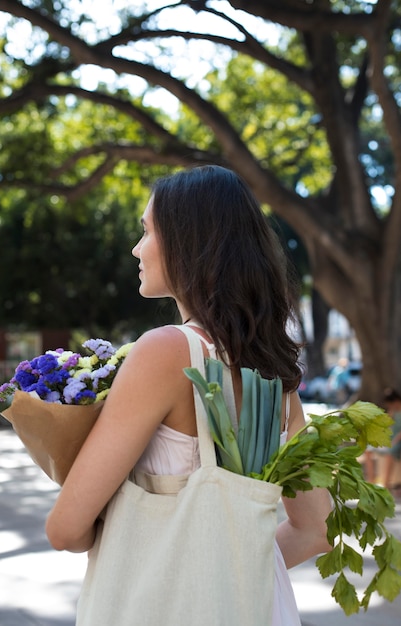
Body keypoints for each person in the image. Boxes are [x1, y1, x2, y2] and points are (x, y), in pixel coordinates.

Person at [45, 165, 332, 625]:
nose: (137, 249)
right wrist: (223, 571)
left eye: (146, 231)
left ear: (188, 241)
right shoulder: (276, 374)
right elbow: (317, 530)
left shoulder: (167, 351)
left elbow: (65, 530)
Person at [381, 388, 401, 493]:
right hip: (393, 439)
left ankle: (386, 483)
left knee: (391, 452)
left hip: (398, 440)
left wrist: (394, 442)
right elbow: (387, 424)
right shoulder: (393, 411)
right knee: (369, 451)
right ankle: (382, 482)